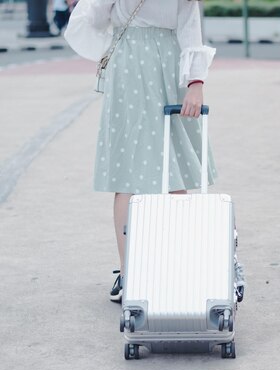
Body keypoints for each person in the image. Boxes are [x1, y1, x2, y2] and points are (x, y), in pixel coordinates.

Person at [65, 0, 218, 302]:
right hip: (149, 63)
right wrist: (195, 83)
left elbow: (87, 20)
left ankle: (142, 272)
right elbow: (190, 29)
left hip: (140, 63)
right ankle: (150, 271)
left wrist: (196, 82)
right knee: (150, 170)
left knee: (152, 169)